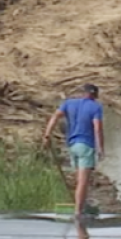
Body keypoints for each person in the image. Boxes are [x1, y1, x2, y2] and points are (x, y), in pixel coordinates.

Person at [42, 84, 105, 216]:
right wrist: (101, 148)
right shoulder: (96, 107)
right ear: (95, 96)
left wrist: (47, 135)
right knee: (83, 182)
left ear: (83, 93)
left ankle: (80, 204)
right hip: (86, 146)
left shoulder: (69, 103)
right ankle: (78, 212)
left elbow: (54, 117)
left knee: (79, 180)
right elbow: (97, 128)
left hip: (72, 146)